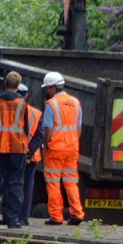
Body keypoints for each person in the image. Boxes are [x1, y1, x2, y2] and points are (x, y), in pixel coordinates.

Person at [0, 70, 30, 229]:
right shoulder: (22, 104)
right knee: (15, 184)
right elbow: (26, 129)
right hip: (17, 148)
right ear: (18, 86)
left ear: (5, 84)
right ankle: (11, 219)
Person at [41, 71, 85, 225]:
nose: (47, 91)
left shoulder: (51, 104)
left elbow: (48, 128)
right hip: (72, 148)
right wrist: (73, 141)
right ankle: (77, 213)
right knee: (71, 182)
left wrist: (45, 145)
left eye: (47, 88)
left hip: (55, 149)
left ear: (53, 88)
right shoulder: (76, 102)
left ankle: (56, 217)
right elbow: (78, 127)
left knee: (53, 183)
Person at [17, 83, 44, 226]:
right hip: (30, 156)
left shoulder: (8, 110)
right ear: (26, 95)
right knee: (27, 187)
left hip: (14, 154)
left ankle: (13, 216)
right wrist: (29, 151)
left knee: (13, 184)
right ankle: (23, 218)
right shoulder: (36, 113)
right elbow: (40, 136)